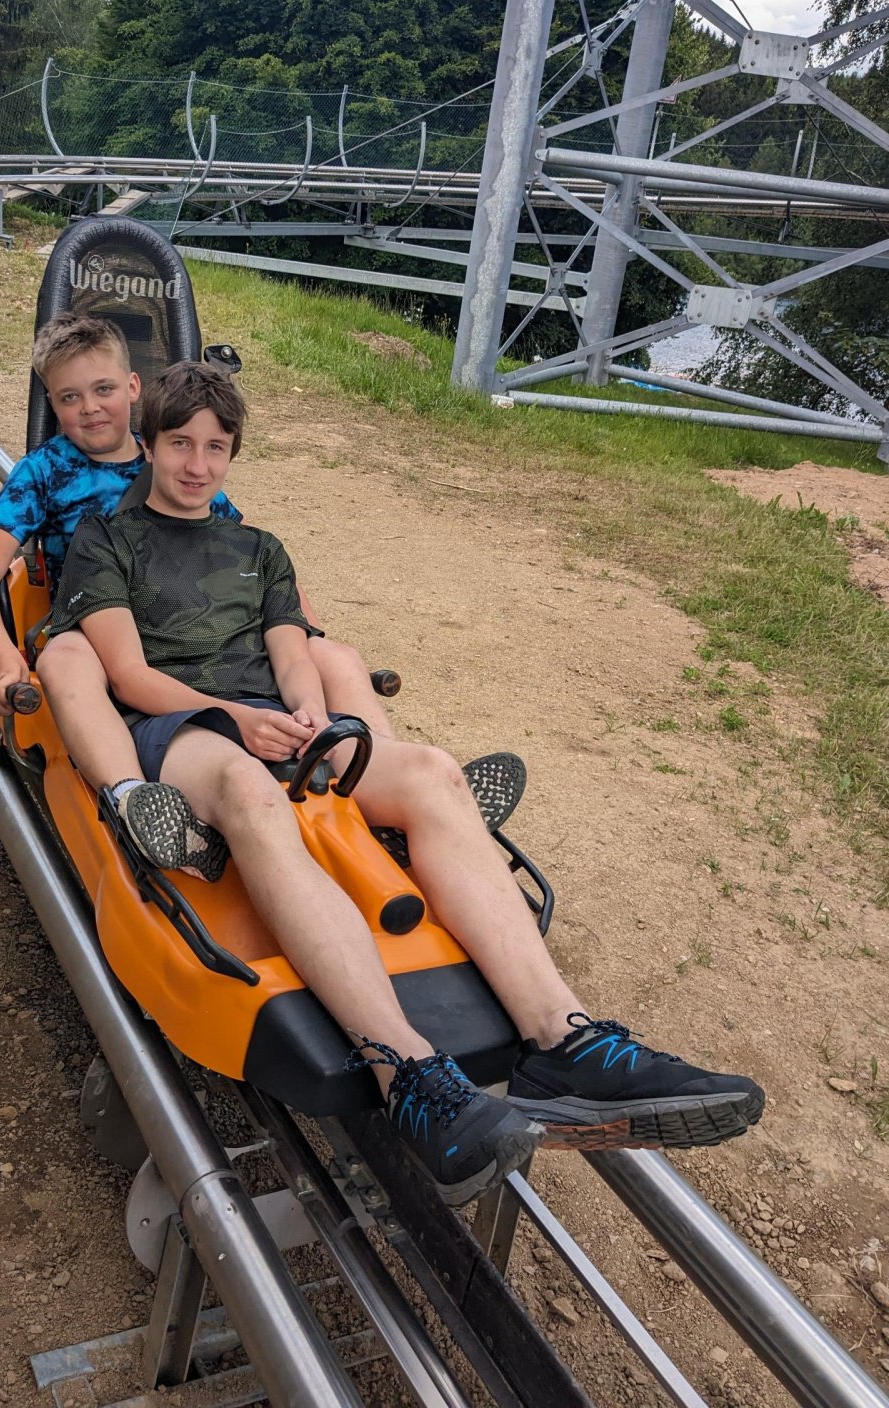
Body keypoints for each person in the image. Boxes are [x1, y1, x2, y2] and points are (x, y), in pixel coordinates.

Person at [49, 360, 765, 1205]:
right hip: (183, 731)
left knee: (431, 771)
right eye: (180, 444)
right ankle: (408, 1071)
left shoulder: (260, 549)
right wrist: (237, 719)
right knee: (248, 790)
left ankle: (563, 1041)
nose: (197, 464)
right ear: (149, 445)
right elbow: (129, 674)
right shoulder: (107, 539)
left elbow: (292, 654)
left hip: (274, 723)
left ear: (233, 454)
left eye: (215, 448)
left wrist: (306, 711)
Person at [0, 311, 524, 879]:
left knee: (334, 655)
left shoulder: (179, 461)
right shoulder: (46, 472)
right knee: (68, 656)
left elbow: (250, 562)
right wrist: (2, 657)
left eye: (103, 389)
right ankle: (133, 804)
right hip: (107, 632)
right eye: (69, 397)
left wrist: (304, 638)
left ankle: (379, 784)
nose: (90, 408)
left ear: (133, 388)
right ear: (52, 403)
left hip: (197, 628)